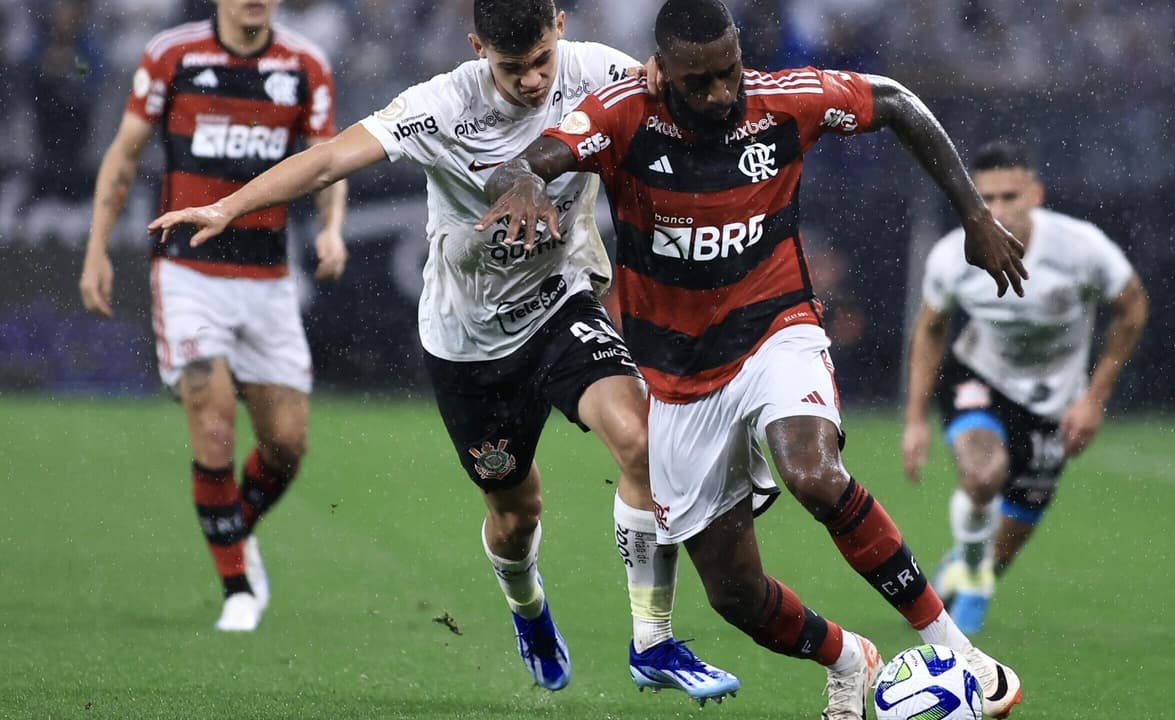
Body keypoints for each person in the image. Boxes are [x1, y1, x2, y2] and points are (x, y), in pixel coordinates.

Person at [147, 0, 740, 701]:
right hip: (468, 342)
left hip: (560, 302)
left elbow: (704, 91)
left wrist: (663, 75)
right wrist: (226, 207)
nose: (531, 81)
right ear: (476, 46)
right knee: (517, 515)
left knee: (640, 441)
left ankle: (653, 642)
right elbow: (329, 159)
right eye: (511, 67)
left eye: (542, 61)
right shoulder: (440, 105)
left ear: (561, 25)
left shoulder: (601, 74)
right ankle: (528, 610)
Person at [478, 1, 1027, 717]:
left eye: (729, 72)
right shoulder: (621, 116)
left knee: (814, 473)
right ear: (662, 73)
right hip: (678, 384)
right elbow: (518, 164)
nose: (721, 94)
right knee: (736, 595)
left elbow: (895, 101)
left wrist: (973, 214)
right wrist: (521, 184)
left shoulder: (781, 103)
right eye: (700, 82)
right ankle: (849, 658)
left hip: (776, 332)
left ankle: (961, 652)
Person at [77, 0, 346, 632]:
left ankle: (232, 529)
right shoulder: (173, 55)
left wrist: (333, 228)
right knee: (212, 411)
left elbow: (328, 158)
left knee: (286, 445)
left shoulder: (305, 64)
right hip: (187, 272)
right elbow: (123, 154)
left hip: (268, 279)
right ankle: (237, 590)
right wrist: (96, 249)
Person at [901, 140, 1149, 634]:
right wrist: (914, 420)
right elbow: (930, 329)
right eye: (984, 198)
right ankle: (972, 578)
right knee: (983, 474)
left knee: (1006, 545)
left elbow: (1133, 308)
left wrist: (1093, 399)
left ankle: (968, 562)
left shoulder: (1082, 248)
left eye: (1009, 197)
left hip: (1054, 400)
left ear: (1035, 194)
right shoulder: (953, 256)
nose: (995, 210)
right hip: (978, 377)